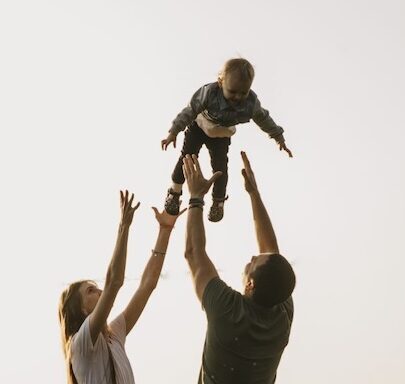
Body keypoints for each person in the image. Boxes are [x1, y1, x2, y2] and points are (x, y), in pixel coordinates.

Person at [182, 152, 296, 384]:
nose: (253, 256)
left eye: (253, 262)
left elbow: (193, 253)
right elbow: (270, 253)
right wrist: (254, 194)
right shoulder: (282, 314)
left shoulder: (227, 310)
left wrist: (195, 197)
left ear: (250, 284)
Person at [58, 190, 185, 384]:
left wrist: (165, 230)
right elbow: (114, 283)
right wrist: (124, 227)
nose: (100, 291)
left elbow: (147, 285)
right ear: (80, 309)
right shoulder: (80, 344)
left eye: (97, 287)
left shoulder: (113, 334)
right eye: (90, 291)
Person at [161, 58, 293, 222]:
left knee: (220, 167)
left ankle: (218, 202)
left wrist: (278, 137)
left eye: (243, 93)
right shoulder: (209, 92)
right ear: (220, 82)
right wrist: (174, 131)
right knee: (187, 156)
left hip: (221, 134)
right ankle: (175, 191)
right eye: (232, 92)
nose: (237, 97)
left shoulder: (251, 104)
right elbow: (190, 110)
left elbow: (264, 119)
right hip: (200, 125)